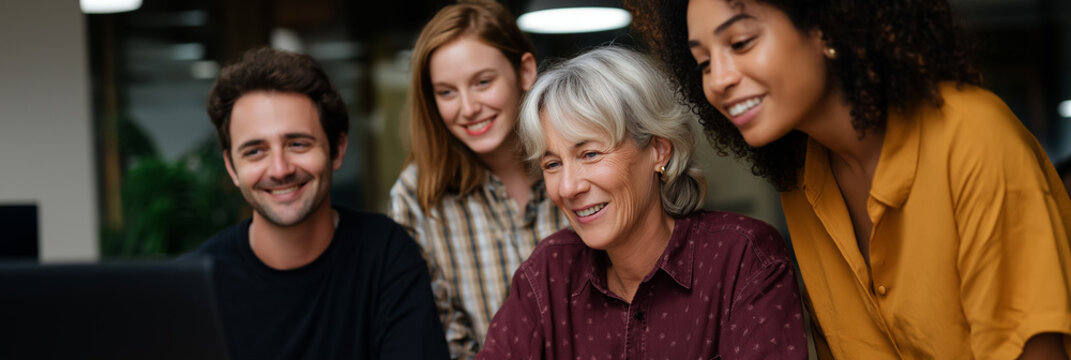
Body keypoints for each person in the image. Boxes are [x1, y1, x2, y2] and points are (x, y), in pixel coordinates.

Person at [628, 0, 1071, 358]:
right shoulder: (802, 183)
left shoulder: (973, 137)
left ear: (826, 25)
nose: (719, 80)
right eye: (703, 62)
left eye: (741, 42)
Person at [476, 46, 806, 359]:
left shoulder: (743, 258)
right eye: (552, 164)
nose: (567, 187)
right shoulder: (549, 272)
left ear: (659, 150)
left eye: (590, 154)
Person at [184, 47, 449, 360]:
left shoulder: (385, 255)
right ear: (231, 167)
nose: (280, 169)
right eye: (255, 151)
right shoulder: (196, 287)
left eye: (297, 144)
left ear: (337, 150)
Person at [388, 1, 567, 358]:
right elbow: (443, 337)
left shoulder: (579, 161)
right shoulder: (416, 194)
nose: (468, 107)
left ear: (525, 71)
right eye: (447, 92)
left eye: (482, 82)